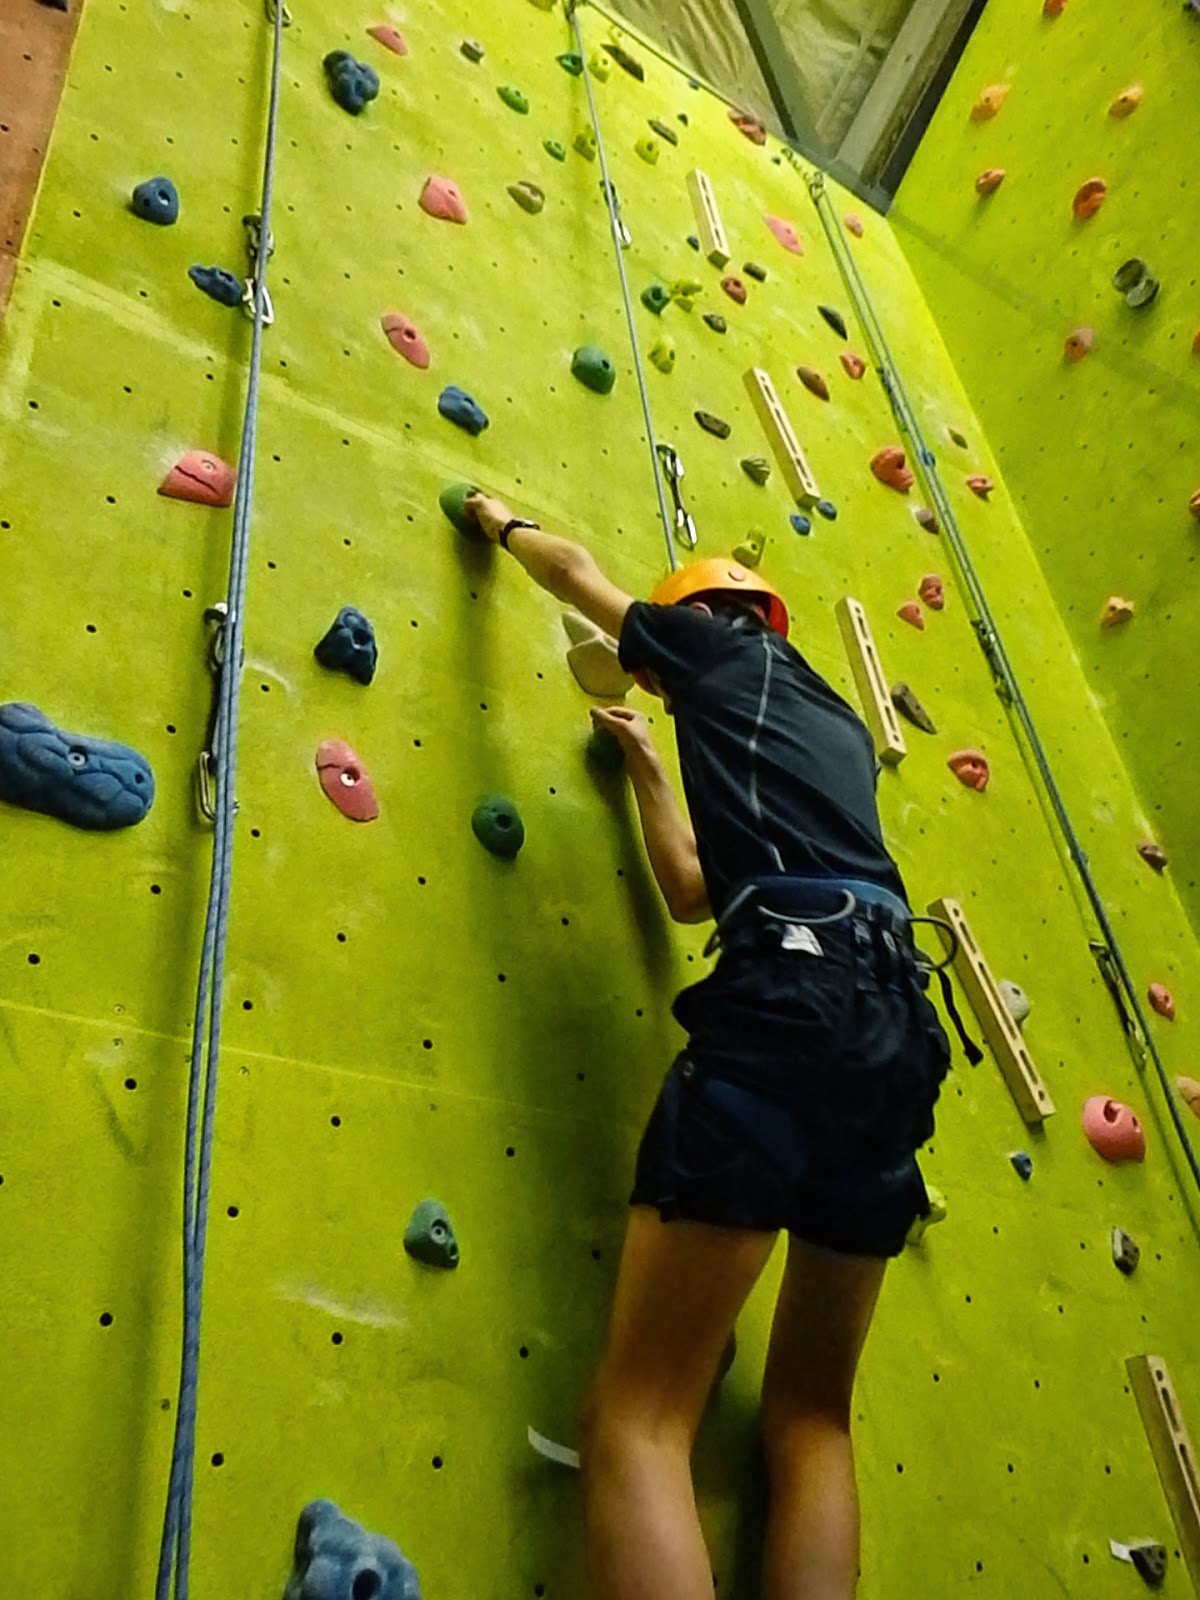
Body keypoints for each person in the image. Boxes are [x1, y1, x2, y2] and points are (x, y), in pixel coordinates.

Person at [463, 492, 954, 1600]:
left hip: (792, 1001)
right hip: (895, 1034)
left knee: (638, 1421)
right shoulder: (823, 719)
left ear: (712, 619)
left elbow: (578, 573)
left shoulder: (714, 645)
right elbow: (695, 891)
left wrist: (501, 522)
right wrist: (646, 769)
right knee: (814, 1422)